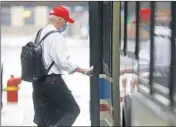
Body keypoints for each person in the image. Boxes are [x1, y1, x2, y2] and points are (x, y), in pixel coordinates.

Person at [32, 5, 93, 127]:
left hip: (38, 81)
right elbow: (62, 62)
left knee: (46, 118)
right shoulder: (56, 36)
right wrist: (84, 71)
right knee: (72, 110)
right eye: (65, 21)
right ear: (59, 19)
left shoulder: (41, 33)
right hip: (52, 81)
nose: (65, 24)